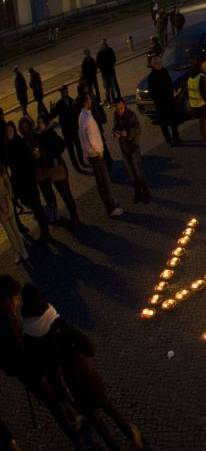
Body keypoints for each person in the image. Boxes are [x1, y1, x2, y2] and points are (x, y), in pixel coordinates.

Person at [21, 283, 144, 450]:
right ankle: (132, 436)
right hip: (83, 376)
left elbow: (38, 365)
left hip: (67, 388)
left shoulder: (28, 335)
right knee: (108, 407)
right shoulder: (57, 323)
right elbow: (88, 348)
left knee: (97, 422)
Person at [0, 276, 84, 450]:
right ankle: (76, 437)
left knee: (53, 397)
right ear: (6, 299)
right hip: (31, 370)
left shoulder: (6, 316)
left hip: (25, 369)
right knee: (52, 403)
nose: (16, 303)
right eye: (15, 299)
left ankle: (71, 417)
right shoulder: (6, 321)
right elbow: (18, 349)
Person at [4, 121, 50, 243]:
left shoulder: (20, 143)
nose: (8, 133)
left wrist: (31, 179)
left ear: (14, 130)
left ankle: (45, 232)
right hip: (20, 183)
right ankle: (44, 231)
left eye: (10, 130)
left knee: (37, 207)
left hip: (29, 182)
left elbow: (30, 162)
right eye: (6, 131)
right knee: (34, 207)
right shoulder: (8, 145)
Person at [78, 93, 121, 216]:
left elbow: (82, 136)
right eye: (90, 99)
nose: (91, 101)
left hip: (91, 155)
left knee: (101, 182)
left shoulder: (81, 116)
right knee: (104, 182)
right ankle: (111, 207)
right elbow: (92, 139)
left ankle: (110, 202)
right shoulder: (88, 119)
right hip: (96, 155)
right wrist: (99, 151)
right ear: (86, 102)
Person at [35, 114, 79, 230]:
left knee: (66, 193)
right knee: (62, 193)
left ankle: (75, 217)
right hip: (50, 170)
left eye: (41, 123)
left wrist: (56, 155)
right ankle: (73, 216)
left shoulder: (51, 133)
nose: (39, 125)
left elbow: (62, 144)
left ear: (45, 123)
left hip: (58, 167)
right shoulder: (41, 136)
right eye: (38, 123)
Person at [112, 100, 150, 204]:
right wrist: (115, 132)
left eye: (121, 108)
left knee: (138, 172)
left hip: (133, 147)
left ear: (124, 106)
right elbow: (115, 127)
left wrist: (127, 132)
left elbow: (138, 129)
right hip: (124, 148)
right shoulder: (116, 116)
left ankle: (146, 192)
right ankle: (138, 193)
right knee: (131, 173)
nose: (119, 111)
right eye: (118, 109)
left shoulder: (131, 115)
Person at [146, 57, 180, 146]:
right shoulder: (152, 76)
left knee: (173, 120)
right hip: (161, 103)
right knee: (164, 123)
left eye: (160, 63)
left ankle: (176, 137)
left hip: (170, 100)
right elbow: (152, 92)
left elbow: (169, 83)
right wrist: (159, 100)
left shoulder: (164, 71)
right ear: (153, 65)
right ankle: (169, 140)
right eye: (157, 64)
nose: (159, 65)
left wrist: (172, 92)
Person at [52, 86, 87, 173]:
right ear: (61, 93)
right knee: (71, 150)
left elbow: (76, 113)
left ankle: (81, 161)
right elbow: (53, 116)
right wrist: (51, 109)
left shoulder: (71, 101)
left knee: (78, 146)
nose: (64, 93)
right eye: (63, 92)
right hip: (66, 130)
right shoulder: (59, 104)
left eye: (65, 91)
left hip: (73, 128)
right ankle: (76, 166)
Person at [0, 168, 30, 265]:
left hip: (6, 200)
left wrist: (10, 195)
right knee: (9, 231)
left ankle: (23, 249)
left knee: (15, 228)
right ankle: (17, 252)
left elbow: (8, 182)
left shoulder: (1, 170)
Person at [187, 57, 206, 150]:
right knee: (205, 124)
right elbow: (203, 92)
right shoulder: (201, 76)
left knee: (201, 123)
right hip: (202, 104)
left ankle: (204, 139)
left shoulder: (191, 75)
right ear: (200, 65)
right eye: (204, 63)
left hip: (194, 104)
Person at [96, 39, 119, 104]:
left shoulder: (110, 50)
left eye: (105, 43)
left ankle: (113, 99)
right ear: (101, 45)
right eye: (103, 43)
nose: (104, 44)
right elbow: (97, 63)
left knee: (112, 87)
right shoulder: (99, 53)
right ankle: (109, 101)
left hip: (111, 72)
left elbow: (114, 58)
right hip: (105, 74)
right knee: (107, 89)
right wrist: (102, 68)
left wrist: (112, 64)